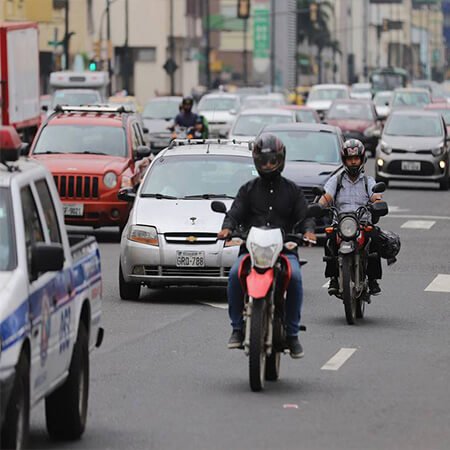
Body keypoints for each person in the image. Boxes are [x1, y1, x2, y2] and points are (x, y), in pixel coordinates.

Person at [217, 133, 317, 358]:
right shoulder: (248, 189)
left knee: (296, 278)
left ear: (281, 160)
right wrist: (227, 228)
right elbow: (234, 213)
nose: (268, 165)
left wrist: (308, 231)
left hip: (284, 250)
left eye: (273, 160)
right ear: (256, 161)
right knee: (234, 275)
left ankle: (292, 334)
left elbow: (305, 215)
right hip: (251, 251)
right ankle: (237, 329)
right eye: (264, 161)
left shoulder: (292, 190)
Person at [318, 139, 383, 296]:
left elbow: (376, 196)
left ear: (361, 159)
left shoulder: (368, 181)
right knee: (329, 241)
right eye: (350, 159)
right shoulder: (337, 180)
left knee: (375, 239)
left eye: (356, 159)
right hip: (341, 224)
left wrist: (378, 202)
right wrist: (320, 205)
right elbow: (326, 196)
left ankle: (373, 280)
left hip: (361, 223)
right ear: (344, 160)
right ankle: (333, 278)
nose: (353, 162)